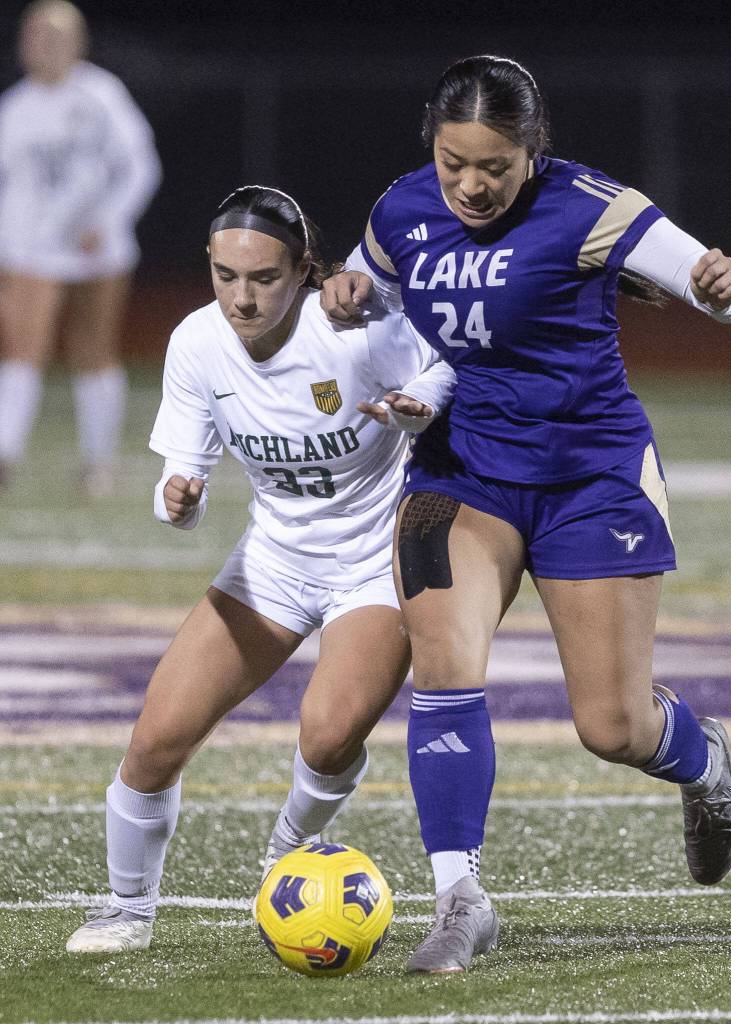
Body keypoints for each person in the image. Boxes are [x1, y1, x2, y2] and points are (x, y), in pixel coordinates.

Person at [321, 54, 731, 974]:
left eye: (495, 166)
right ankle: (459, 900)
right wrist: (349, 296)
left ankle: (700, 757)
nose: (472, 185)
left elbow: (728, 295)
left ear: (534, 153)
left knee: (613, 727)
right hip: (461, 470)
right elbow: (376, 291)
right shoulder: (401, 208)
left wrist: (720, 290)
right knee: (443, 662)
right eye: (454, 165)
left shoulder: (594, 207)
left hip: (588, 475)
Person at [64, 184, 455, 954]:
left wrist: (418, 402)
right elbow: (185, 472)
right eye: (225, 276)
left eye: (264, 279)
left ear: (305, 270)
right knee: (153, 744)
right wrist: (178, 499)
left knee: (329, 734)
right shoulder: (196, 342)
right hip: (272, 561)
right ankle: (126, 910)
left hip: (372, 564)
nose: (241, 298)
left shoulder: (354, 327)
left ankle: (284, 859)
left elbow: (448, 366)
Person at [0, 0, 161, 495]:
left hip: (98, 247)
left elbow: (140, 166)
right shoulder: (17, 106)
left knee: (94, 351)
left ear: (76, 43)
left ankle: (99, 463)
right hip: (31, 248)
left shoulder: (102, 95)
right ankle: (5, 455)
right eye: (31, 36)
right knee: (22, 349)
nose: (38, 46)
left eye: (50, 36)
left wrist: (108, 219)